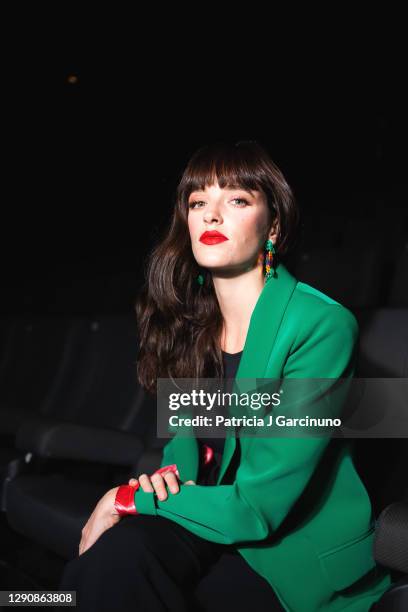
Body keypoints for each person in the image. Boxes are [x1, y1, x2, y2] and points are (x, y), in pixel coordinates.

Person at [58, 140, 392, 611]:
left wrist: (123, 498)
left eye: (236, 199)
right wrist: (155, 488)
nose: (212, 216)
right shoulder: (191, 326)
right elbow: (183, 460)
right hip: (208, 523)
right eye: (198, 203)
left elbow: (258, 510)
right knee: (106, 565)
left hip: (287, 557)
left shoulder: (321, 326)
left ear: (272, 225)